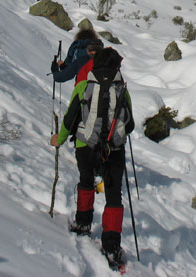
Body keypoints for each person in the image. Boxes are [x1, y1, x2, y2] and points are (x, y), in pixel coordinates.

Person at [50, 47, 134, 266]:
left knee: (86, 181)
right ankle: (111, 246)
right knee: (114, 195)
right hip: (114, 150)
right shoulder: (122, 90)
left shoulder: (82, 86)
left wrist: (58, 140)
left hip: (85, 145)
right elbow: (130, 124)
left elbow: (70, 119)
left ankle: (83, 224)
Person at [51, 18, 99, 83]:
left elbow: (64, 74)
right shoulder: (105, 57)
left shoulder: (79, 56)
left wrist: (55, 70)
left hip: (83, 88)